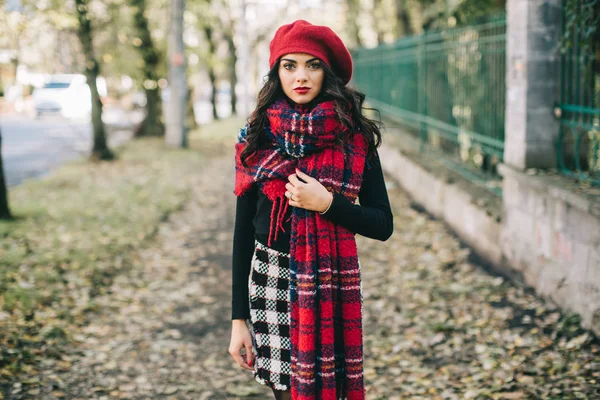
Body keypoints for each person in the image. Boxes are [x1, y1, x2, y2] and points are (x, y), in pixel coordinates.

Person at [229, 20, 394, 400]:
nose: (301, 76)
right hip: (270, 283)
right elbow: (242, 233)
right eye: (290, 65)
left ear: (328, 72)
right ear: (277, 72)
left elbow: (382, 224)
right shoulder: (256, 137)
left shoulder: (354, 138)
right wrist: (239, 320)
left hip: (329, 284)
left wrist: (328, 204)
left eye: (312, 64)